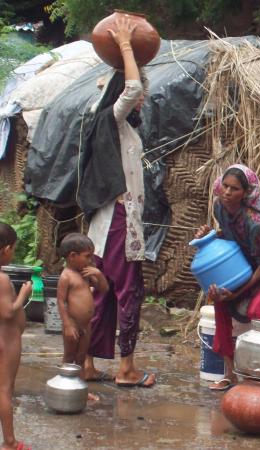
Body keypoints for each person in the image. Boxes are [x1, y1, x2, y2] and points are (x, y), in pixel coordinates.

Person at [82, 16, 155, 388]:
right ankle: (126, 368)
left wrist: (136, 62)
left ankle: (88, 363)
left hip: (107, 223)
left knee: (101, 293)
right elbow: (129, 89)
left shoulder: (112, 124)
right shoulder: (111, 119)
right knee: (128, 293)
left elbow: (134, 86)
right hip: (118, 220)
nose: (142, 96)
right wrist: (126, 45)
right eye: (138, 91)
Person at [194, 164, 260, 391]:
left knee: (258, 312)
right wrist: (209, 235)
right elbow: (229, 234)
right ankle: (229, 373)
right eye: (225, 186)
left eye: (234, 189)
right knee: (220, 303)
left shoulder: (256, 222)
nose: (227, 192)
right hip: (249, 259)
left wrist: (236, 292)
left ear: (246, 193)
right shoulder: (220, 206)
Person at [57, 234, 109, 372]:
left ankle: (80, 390)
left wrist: (98, 274)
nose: (91, 260)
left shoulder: (85, 273)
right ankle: (64, 388)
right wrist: (67, 325)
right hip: (72, 323)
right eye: (87, 256)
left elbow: (104, 289)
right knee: (69, 357)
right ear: (73, 256)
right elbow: (61, 302)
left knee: (81, 358)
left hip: (86, 325)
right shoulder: (66, 276)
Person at [0, 223, 31, 450]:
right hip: (6, 341)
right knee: (4, 390)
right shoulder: (1, 279)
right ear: (6, 248)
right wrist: (23, 294)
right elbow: (8, 311)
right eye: (13, 249)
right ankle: (10, 442)